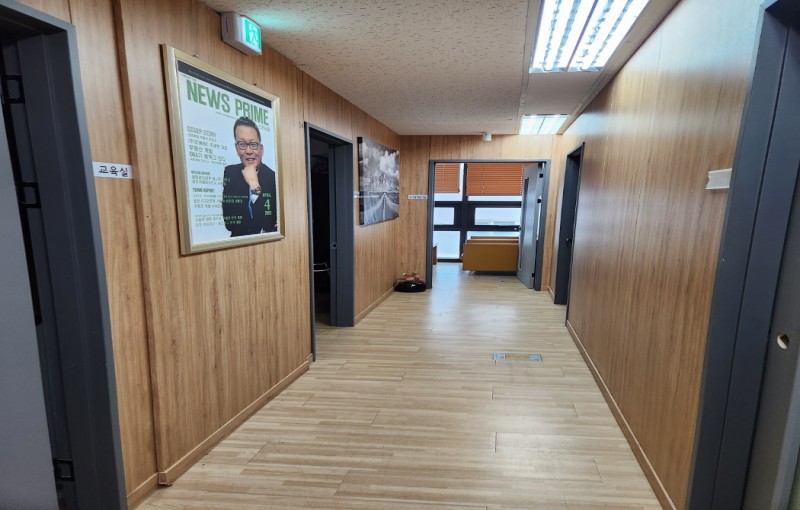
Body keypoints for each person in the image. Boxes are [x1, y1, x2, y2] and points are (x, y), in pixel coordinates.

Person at [222, 117, 278, 236]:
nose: (248, 151)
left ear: (261, 149)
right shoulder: (230, 172)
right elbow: (230, 223)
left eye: (253, 144)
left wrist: (254, 185)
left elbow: (268, 224)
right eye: (242, 144)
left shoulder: (273, 177)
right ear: (237, 149)